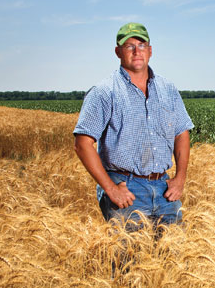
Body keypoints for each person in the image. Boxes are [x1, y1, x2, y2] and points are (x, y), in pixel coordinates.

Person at [73, 22, 194, 232]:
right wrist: (110, 189)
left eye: (141, 45)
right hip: (126, 189)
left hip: (164, 189)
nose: (137, 51)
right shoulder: (104, 92)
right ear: (118, 52)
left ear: (150, 50)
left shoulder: (168, 89)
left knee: (173, 259)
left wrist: (180, 178)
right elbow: (82, 144)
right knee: (129, 260)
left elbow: (181, 132)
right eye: (129, 46)